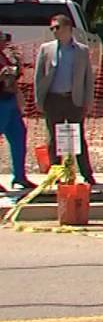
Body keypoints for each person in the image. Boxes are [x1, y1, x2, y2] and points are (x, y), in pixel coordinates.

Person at [34, 14, 96, 183]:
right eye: (52, 28)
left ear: (68, 28)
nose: (54, 31)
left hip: (74, 100)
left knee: (77, 137)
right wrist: (39, 100)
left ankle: (87, 174)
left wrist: (88, 102)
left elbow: (88, 79)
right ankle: (57, 174)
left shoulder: (82, 51)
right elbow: (38, 76)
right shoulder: (46, 49)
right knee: (54, 138)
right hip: (53, 100)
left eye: (57, 27)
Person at [1, 33, 33, 190]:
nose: (4, 42)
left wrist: (17, 62)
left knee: (19, 136)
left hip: (10, 101)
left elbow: (13, 77)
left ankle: (19, 176)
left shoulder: (4, 56)